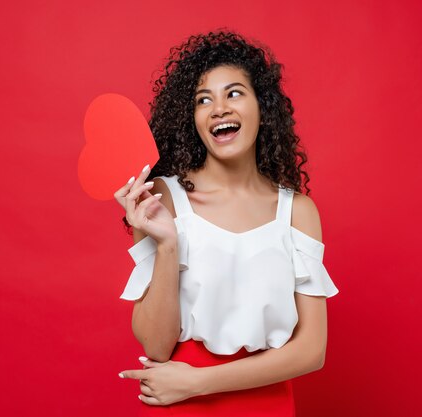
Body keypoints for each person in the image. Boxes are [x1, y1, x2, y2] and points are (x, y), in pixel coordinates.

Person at [113, 31, 339, 416]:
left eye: (233, 93)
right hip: (177, 403)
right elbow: (155, 346)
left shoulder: (297, 212)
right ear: (194, 119)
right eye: (204, 100)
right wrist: (168, 245)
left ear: (262, 108)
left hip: (260, 401)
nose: (218, 108)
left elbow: (311, 351)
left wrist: (198, 384)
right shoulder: (163, 199)